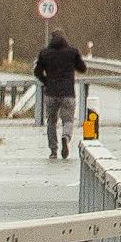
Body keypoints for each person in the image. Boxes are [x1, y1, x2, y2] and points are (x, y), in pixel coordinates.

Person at [34, 28, 89, 159]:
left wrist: (46, 81)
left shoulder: (45, 53)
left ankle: (53, 150)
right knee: (68, 120)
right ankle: (66, 137)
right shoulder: (72, 52)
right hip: (68, 93)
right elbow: (83, 68)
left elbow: (37, 72)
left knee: (51, 122)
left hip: (51, 93)